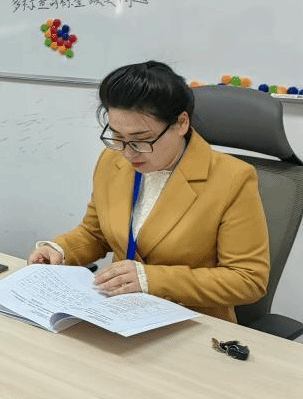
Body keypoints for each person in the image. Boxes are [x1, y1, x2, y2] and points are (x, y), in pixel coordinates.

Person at [27, 61, 269, 322]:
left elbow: (248, 279)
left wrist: (152, 279)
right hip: (116, 314)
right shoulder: (112, 160)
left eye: (141, 140)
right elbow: (96, 233)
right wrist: (61, 250)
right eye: (117, 136)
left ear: (181, 123)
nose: (127, 153)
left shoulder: (232, 178)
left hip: (192, 323)